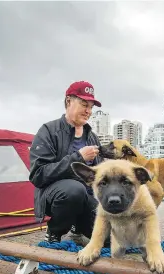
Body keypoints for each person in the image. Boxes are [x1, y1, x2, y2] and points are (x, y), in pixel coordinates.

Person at [29, 81, 108, 245]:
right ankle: (54, 231)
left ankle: (78, 226)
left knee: (111, 239)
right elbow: (38, 175)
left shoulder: (92, 137)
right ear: (68, 102)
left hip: (87, 198)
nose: (88, 111)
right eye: (84, 104)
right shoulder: (48, 131)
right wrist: (78, 157)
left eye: (91, 107)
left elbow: (100, 177)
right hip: (58, 196)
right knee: (74, 190)